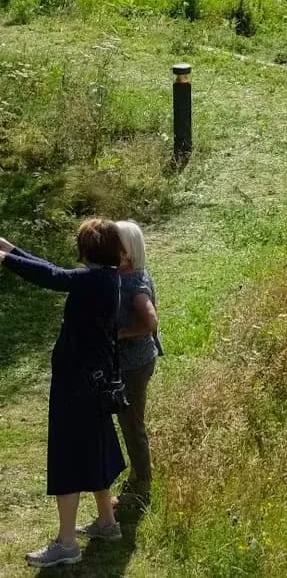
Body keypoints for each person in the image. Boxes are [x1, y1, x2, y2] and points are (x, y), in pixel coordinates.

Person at [0, 219, 126, 567]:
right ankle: (107, 523)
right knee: (95, 448)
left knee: (68, 456)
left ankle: (67, 543)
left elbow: (53, 276)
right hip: (94, 384)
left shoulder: (91, 281)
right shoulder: (106, 278)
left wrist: (5, 259)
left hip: (76, 385)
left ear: (86, 250)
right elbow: (54, 269)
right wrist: (8, 248)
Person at [113, 221, 160, 508]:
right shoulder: (130, 273)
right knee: (130, 421)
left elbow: (150, 321)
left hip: (135, 364)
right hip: (135, 361)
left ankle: (142, 483)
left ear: (127, 251)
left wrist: (123, 333)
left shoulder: (134, 283)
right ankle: (137, 474)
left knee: (132, 425)